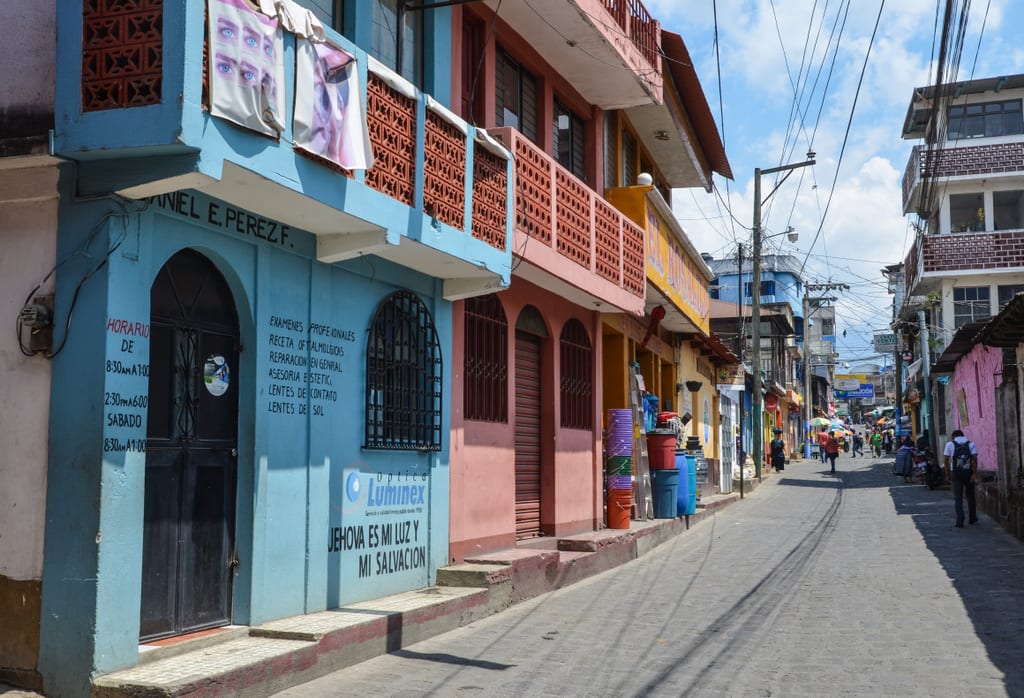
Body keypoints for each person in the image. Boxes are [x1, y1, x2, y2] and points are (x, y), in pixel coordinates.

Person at [943, 429, 978, 528]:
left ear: (953, 437)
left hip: (956, 473)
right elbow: (974, 459)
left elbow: (946, 460)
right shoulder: (971, 444)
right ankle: (972, 517)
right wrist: (974, 474)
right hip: (968, 472)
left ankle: (960, 520)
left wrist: (947, 474)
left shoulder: (950, 444)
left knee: (958, 497)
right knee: (970, 496)